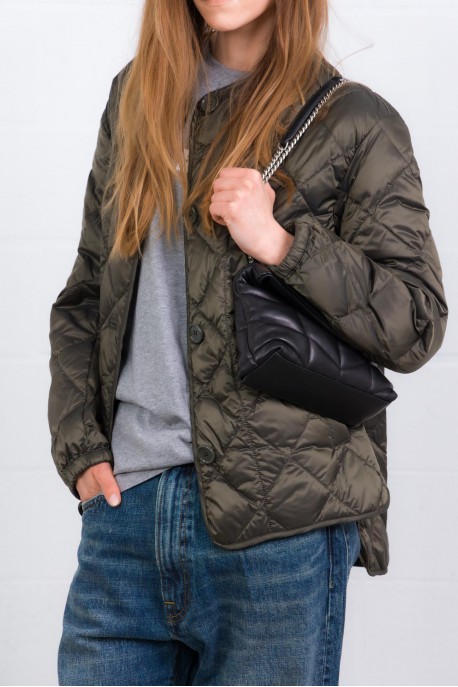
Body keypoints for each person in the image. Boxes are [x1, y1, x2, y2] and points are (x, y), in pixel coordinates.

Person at [48, 0, 448, 685]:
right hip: (125, 517)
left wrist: (285, 245)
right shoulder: (137, 97)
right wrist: (82, 449)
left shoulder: (354, 121)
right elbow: (88, 292)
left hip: (278, 532)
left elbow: (415, 321)